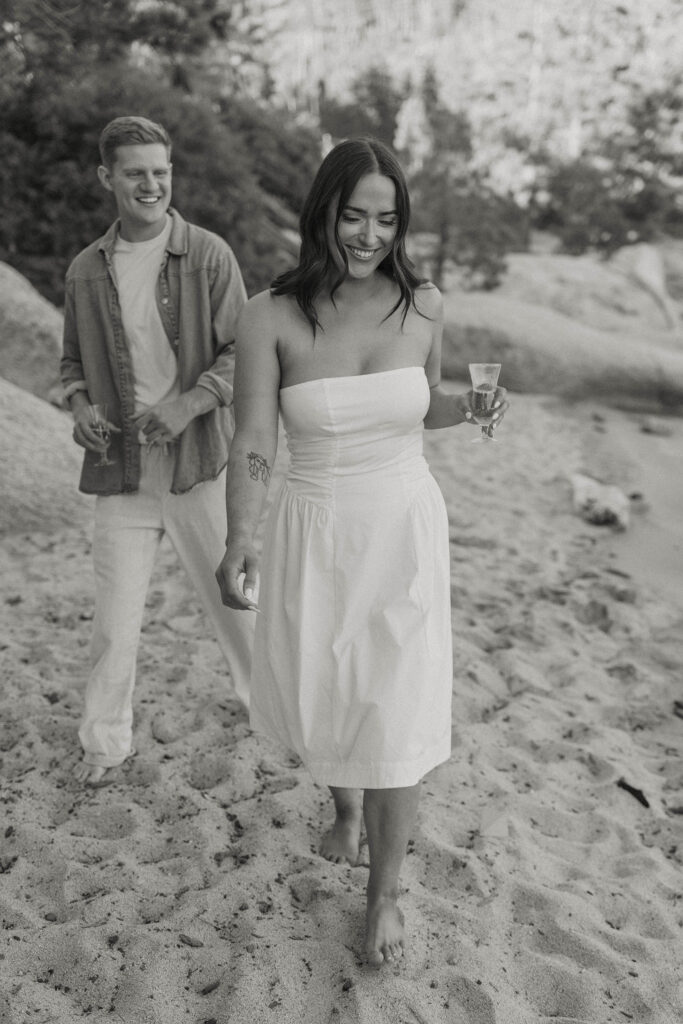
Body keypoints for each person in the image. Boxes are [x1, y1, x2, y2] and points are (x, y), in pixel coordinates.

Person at [215, 137, 508, 967]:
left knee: (399, 702)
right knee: (330, 690)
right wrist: (240, 532)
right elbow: (250, 441)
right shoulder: (269, 313)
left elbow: (426, 405)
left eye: (386, 219)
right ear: (323, 213)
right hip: (314, 525)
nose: (369, 235)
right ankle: (343, 802)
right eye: (354, 216)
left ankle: (383, 897)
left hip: (405, 523)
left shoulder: (424, 305)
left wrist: (478, 407)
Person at [61, 115, 254, 786]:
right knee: (115, 624)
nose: (151, 184)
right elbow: (70, 364)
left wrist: (188, 402)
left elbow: (244, 353)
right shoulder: (86, 268)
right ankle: (104, 745)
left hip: (200, 464)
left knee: (239, 604)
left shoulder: (208, 255)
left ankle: (271, 710)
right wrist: (80, 406)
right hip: (122, 470)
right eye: (136, 172)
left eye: (161, 172)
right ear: (107, 178)